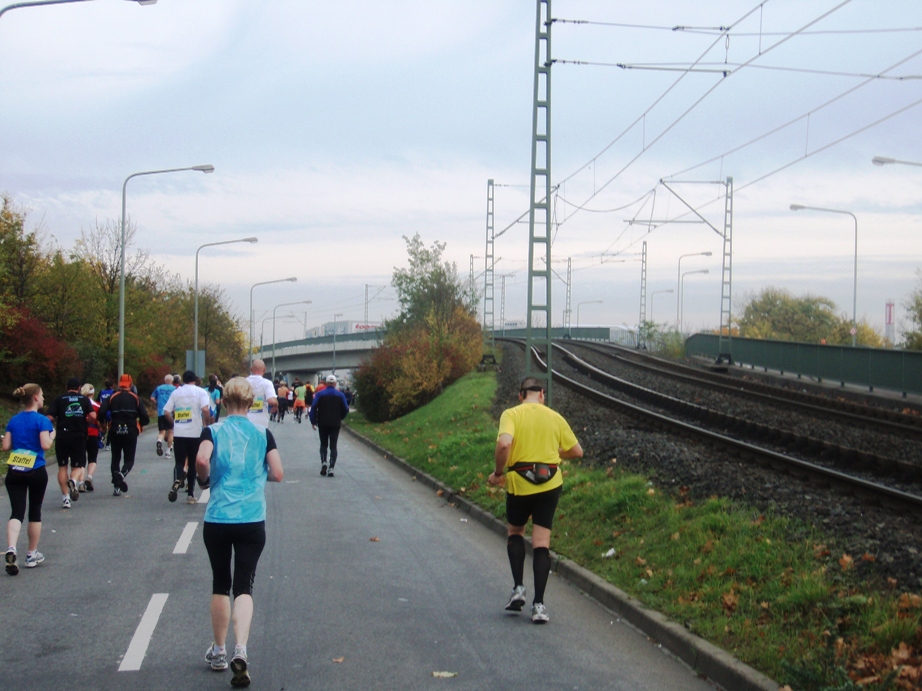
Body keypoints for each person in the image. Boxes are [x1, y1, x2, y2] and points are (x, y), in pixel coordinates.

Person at [195, 377, 283, 687]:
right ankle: (241, 648)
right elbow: (278, 473)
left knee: (221, 583)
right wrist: (259, 478)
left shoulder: (213, 431)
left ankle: (219, 651)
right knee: (244, 585)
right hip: (251, 519)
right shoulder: (263, 433)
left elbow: (202, 459)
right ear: (251, 403)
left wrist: (204, 480)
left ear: (223, 401)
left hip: (218, 517)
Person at [487, 377, 583, 624]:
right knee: (542, 543)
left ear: (520, 396)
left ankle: (518, 589)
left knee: (516, 532)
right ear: (542, 394)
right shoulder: (554, 417)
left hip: (520, 482)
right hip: (550, 483)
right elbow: (577, 452)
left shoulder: (511, 414)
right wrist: (555, 452)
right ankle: (539, 606)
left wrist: (498, 474)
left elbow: (504, 444)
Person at [3, 384, 54, 575]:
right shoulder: (42, 421)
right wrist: (52, 435)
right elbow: (45, 444)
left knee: (16, 511)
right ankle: (31, 554)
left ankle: (11, 548)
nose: (43, 399)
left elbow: (6, 446)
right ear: (34, 398)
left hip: (14, 470)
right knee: (34, 511)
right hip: (36, 470)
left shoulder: (14, 420)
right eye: (42, 395)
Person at [164, 370, 212, 504]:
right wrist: (206, 423)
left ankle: (177, 479)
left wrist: (174, 423)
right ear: (195, 380)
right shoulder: (201, 392)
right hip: (195, 433)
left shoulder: (176, 392)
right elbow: (205, 409)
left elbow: (166, 412)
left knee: (179, 461)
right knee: (192, 463)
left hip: (179, 433)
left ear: (183, 380)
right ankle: (190, 494)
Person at [99, 374, 149, 496]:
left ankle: (117, 486)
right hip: (131, 430)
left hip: (115, 429)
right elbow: (145, 417)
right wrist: (140, 424)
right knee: (129, 459)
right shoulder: (135, 398)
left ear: (119, 384)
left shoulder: (112, 397)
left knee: (115, 458)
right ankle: (121, 475)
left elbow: (101, 411)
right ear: (130, 385)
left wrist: (103, 423)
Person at [47, 377, 94, 509]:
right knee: (78, 466)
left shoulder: (59, 399)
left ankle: (66, 499)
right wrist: (87, 421)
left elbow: (49, 417)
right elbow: (93, 416)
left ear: (66, 387)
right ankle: (73, 480)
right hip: (79, 435)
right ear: (79, 388)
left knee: (62, 467)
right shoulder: (84, 400)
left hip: (62, 435)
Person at [309, 374, 349, 477]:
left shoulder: (320, 394)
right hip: (335, 423)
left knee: (323, 444)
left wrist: (313, 421)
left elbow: (313, 407)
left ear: (326, 383)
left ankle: (324, 462)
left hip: (322, 422)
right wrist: (341, 417)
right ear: (335, 384)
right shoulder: (340, 395)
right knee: (333, 446)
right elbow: (346, 408)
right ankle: (331, 468)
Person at [80, 383, 101, 492]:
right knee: (92, 458)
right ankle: (89, 477)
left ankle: (80, 482)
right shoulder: (97, 405)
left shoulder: (79, 404)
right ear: (93, 393)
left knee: (81, 458)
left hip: (81, 433)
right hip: (93, 433)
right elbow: (99, 420)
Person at [245, 360, 278, 429]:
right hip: (261, 422)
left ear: (251, 369)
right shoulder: (266, 383)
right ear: (264, 369)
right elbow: (271, 401)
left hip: (245, 419)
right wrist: (276, 405)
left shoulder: (244, 382)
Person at [150, 374, 176, 459]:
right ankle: (168, 452)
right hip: (170, 413)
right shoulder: (174, 389)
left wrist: (157, 402)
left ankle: (159, 440)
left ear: (165, 380)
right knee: (171, 432)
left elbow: (152, 398)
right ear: (172, 381)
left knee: (162, 432)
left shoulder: (159, 388)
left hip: (161, 412)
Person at [98, 379, 115, 450]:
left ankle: (101, 440)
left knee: (103, 427)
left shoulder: (101, 392)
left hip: (102, 411)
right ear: (112, 385)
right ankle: (108, 444)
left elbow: (97, 401)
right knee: (110, 429)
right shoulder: (113, 392)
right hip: (110, 412)